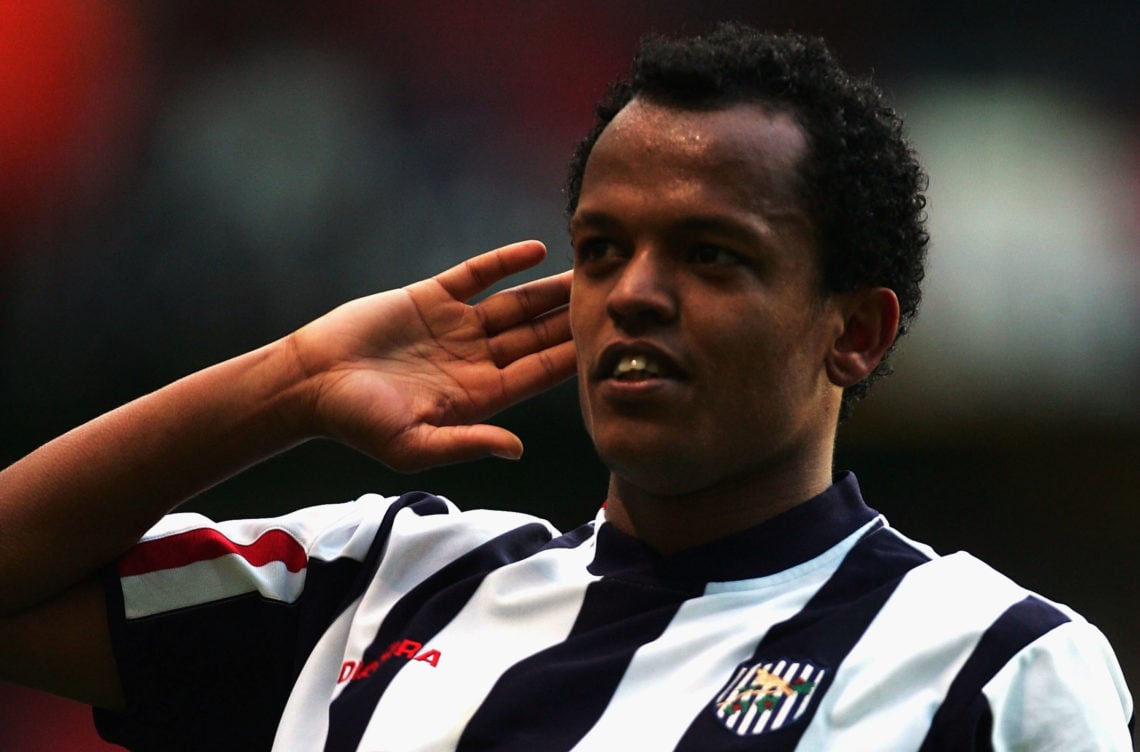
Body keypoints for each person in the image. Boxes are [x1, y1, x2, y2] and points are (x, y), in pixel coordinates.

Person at [0, 23, 1132, 751]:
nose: (635, 293)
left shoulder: (997, 661)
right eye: (599, 248)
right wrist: (291, 379)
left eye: (711, 255)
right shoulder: (378, 582)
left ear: (855, 330)